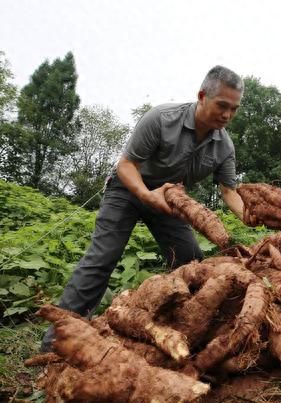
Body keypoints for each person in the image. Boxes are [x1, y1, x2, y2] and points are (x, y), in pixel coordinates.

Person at [41, 65, 246, 351]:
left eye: (233, 109)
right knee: (103, 258)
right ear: (202, 96)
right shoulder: (161, 119)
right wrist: (145, 194)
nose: (227, 115)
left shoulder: (224, 146)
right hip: (127, 189)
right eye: (222, 105)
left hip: (169, 200)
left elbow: (229, 190)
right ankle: (56, 342)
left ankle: (180, 330)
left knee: (190, 260)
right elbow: (126, 165)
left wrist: (250, 215)